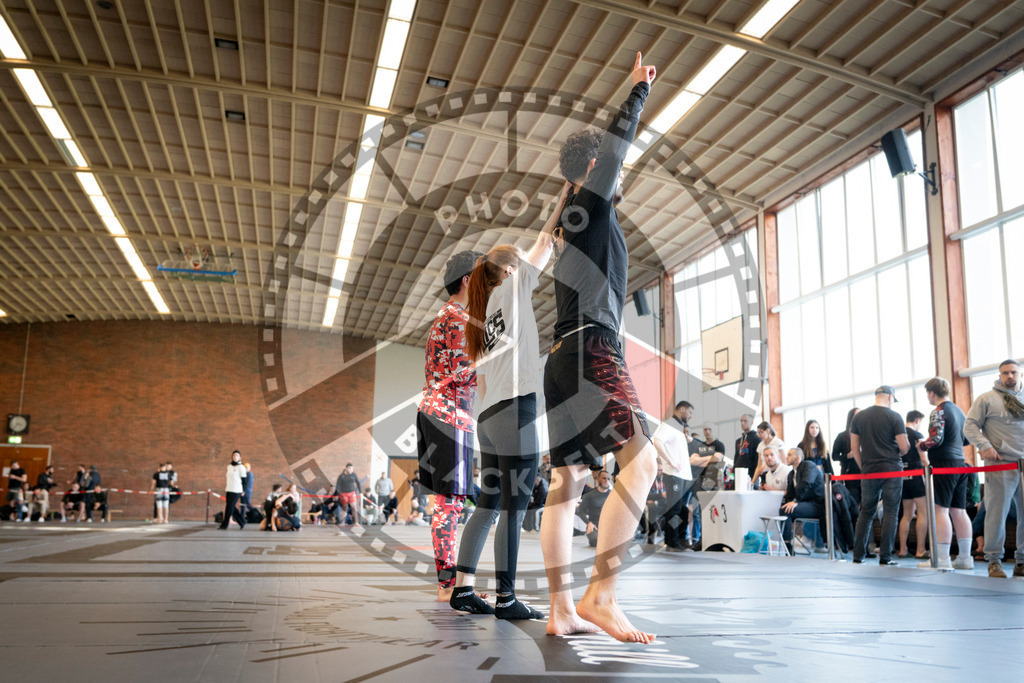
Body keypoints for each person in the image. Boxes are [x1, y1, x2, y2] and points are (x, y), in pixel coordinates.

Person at [541, 52, 658, 644]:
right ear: (592, 168)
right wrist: (635, 92)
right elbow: (613, 149)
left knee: (567, 487)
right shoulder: (592, 206)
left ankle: (562, 610)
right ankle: (600, 595)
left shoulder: (571, 222)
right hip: (592, 350)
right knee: (644, 464)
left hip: (561, 357)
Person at [454, 186, 569, 620]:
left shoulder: (479, 322)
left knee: (488, 504)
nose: (527, 263)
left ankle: (463, 589)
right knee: (515, 507)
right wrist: (563, 197)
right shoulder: (513, 286)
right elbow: (543, 241)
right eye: (518, 260)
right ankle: (506, 599)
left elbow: (481, 384)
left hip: (487, 417)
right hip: (515, 410)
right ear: (508, 268)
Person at [416, 249, 485, 602]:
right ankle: (447, 586)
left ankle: (449, 582)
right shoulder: (457, 318)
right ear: (467, 281)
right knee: (450, 504)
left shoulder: (450, 317)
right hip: (448, 415)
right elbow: (469, 374)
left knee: (451, 502)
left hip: (442, 413)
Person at [964, 360, 1024, 579]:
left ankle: (1022, 561)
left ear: (1020, 374)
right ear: (999, 376)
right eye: (1005, 373)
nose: (1010, 376)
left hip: (1023, 466)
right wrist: (985, 446)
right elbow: (969, 426)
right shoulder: (986, 399)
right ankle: (994, 561)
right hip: (1000, 464)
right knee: (996, 514)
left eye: (1014, 372)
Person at [918, 377, 973, 571]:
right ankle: (965, 558)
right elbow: (966, 440)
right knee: (959, 511)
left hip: (943, 464)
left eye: (928, 394)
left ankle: (942, 559)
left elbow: (935, 439)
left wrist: (921, 445)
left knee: (940, 510)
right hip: (960, 463)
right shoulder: (959, 411)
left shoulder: (938, 411)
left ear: (932, 393)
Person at [850, 386, 909, 566]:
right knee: (891, 512)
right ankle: (886, 557)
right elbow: (904, 446)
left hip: (869, 471)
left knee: (866, 513)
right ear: (890, 397)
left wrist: (864, 467)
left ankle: (858, 556)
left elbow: (854, 448)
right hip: (891, 469)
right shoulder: (895, 416)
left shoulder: (858, 417)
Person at [652, 401, 694, 551]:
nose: (690, 416)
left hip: (682, 475)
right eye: (689, 412)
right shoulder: (669, 424)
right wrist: (671, 460)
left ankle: (680, 540)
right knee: (674, 509)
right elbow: (657, 441)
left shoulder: (679, 428)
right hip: (674, 474)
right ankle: (671, 542)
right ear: (682, 409)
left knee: (682, 510)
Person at [780, 447, 826, 555]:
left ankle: (786, 545)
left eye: (789, 455)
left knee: (786, 510)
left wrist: (796, 501)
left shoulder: (809, 466)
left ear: (798, 458)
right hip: (804, 503)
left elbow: (807, 484)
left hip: (817, 504)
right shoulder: (791, 474)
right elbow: (790, 494)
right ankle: (786, 544)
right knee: (783, 509)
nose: (786, 457)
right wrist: (788, 502)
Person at [898, 410, 928, 559]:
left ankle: (903, 549)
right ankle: (920, 550)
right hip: (916, 476)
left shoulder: (898, 435)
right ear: (917, 420)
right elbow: (924, 459)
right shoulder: (917, 435)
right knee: (923, 512)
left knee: (907, 515)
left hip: (902, 477)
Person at [832, 407, 862, 504]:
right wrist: (847, 456)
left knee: (866, 505)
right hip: (850, 476)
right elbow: (834, 456)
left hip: (865, 474)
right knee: (854, 503)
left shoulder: (866, 434)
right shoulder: (842, 436)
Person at [576, 470, 613, 548]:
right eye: (604, 478)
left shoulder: (613, 495)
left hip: (609, 526)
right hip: (594, 526)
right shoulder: (589, 495)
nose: (606, 481)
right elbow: (580, 511)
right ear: (597, 479)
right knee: (596, 540)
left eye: (608, 479)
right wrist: (589, 523)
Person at [218, 450, 247, 530]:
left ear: (240, 457)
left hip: (237, 490)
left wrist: (243, 490)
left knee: (229, 507)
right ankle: (242, 521)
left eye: (237, 456)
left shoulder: (241, 467)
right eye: (234, 455)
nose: (235, 457)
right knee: (232, 507)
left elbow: (245, 481)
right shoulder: (229, 467)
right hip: (229, 489)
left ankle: (225, 525)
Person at [734, 414, 760, 480]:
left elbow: (757, 459)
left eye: (745, 421)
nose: (742, 423)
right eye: (741, 421)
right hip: (738, 475)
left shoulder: (756, 439)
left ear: (752, 423)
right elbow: (736, 458)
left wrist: (754, 477)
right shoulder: (738, 441)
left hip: (751, 476)